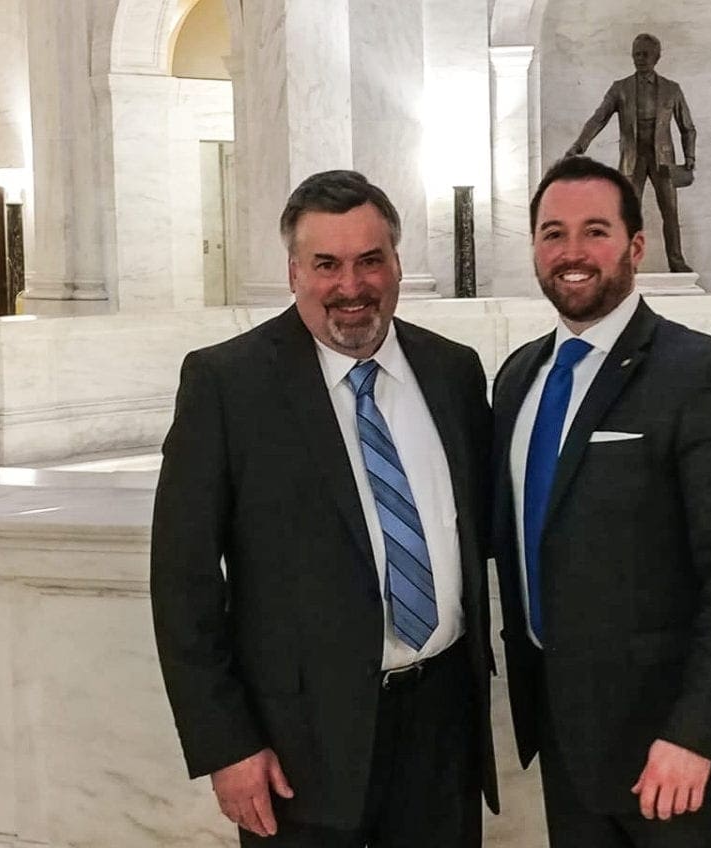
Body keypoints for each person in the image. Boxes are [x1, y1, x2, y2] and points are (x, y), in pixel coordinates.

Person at [150, 170, 498, 847]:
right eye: (326, 265)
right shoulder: (228, 386)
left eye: (371, 260)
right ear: (293, 273)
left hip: (442, 733)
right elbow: (182, 582)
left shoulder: (454, 372)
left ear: (397, 264)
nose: (351, 286)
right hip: (296, 750)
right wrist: (227, 746)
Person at [491, 155, 711, 848]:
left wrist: (695, 734)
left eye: (594, 231)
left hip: (681, 751)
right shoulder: (517, 379)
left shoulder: (707, 371)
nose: (571, 252)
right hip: (569, 740)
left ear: (635, 245)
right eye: (552, 233)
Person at [566, 33, 697, 273]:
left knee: (670, 212)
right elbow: (599, 118)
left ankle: (676, 262)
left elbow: (687, 127)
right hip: (632, 159)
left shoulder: (671, 89)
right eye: (636, 54)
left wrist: (689, 158)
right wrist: (580, 144)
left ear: (657, 57)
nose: (640, 59)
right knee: (626, 215)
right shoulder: (620, 88)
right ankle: (626, 263)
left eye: (645, 54)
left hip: (663, 161)